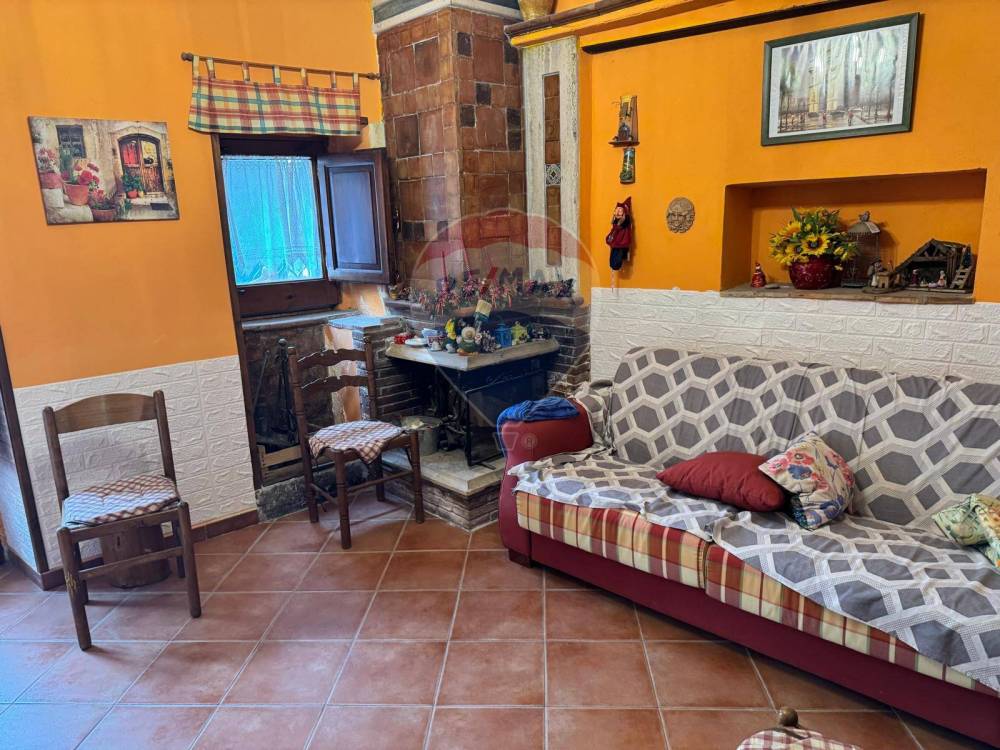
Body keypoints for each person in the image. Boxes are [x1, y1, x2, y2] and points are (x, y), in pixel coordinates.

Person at [605, 197, 633, 290]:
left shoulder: (624, 221)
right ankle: (614, 265)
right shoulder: (616, 223)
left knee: (618, 256)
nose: (617, 212)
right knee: (614, 257)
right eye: (617, 210)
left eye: (620, 210)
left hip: (621, 242)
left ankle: (617, 264)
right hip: (616, 241)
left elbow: (625, 222)